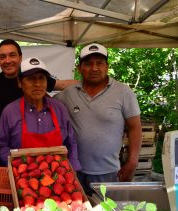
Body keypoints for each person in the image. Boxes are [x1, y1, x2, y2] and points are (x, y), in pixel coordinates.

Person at [54, 43, 142, 194]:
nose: (94, 68)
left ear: (107, 66)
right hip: (73, 171)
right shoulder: (67, 94)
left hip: (110, 173)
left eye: (99, 63)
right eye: (88, 64)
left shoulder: (123, 92)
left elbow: (135, 127)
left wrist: (132, 161)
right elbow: (43, 103)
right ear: (80, 67)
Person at [0, 57, 81, 170]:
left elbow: (71, 141)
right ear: (20, 83)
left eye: (42, 78)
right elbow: (1, 146)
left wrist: (72, 168)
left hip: (57, 175)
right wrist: (18, 165)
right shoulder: (10, 112)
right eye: (31, 79)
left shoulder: (59, 108)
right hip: (23, 176)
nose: (38, 84)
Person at [0, 39, 77, 123]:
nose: (7, 61)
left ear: (20, 57)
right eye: (3, 57)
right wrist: (3, 123)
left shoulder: (35, 76)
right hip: (6, 135)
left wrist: (86, 84)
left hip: (34, 132)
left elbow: (62, 85)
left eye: (12, 55)